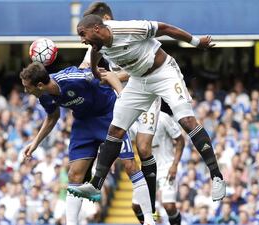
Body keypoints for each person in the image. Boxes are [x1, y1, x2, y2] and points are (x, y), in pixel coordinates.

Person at [69, 11, 226, 202]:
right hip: (138, 81)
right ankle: (95, 185)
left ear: (96, 28)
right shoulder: (98, 45)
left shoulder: (129, 28)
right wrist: (95, 71)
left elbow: (166, 28)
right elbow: (95, 54)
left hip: (163, 73)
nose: (82, 40)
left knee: (186, 120)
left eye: (83, 34)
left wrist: (195, 42)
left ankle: (217, 176)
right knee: (115, 129)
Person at [20, 62, 155, 225]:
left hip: (109, 115)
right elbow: (52, 117)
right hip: (83, 123)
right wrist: (35, 143)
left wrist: (122, 100)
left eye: (27, 87)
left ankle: (148, 219)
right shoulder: (44, 96)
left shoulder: (73, 77)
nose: (25, 91)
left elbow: (110, 76)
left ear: (40, 85)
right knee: (74, 174)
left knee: (130, 165)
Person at [79, 2, 159, 221]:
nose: (89, 35)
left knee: (143, 148)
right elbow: (85, 70)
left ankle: (151, 208)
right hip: (124, 98)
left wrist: (110, 77)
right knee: (128, 162)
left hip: (147, 92)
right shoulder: (95, 44)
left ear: (104, 20)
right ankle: (147, 217)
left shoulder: (128, 32)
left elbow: (144, 68)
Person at [130, 111, 184, 225]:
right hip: (147, 168)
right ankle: (152, 222)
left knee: (168, 206)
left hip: (166, 166)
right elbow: (125, 142)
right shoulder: (135, 120)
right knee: (136, 206)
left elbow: (180, 140)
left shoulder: (163, 117)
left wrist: (174, 165)